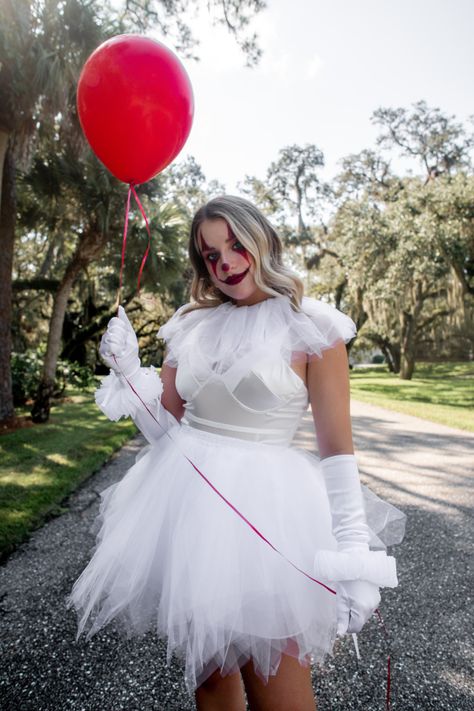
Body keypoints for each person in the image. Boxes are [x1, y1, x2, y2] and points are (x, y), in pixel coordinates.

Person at [66, 195, 406, 710]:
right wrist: (129, 372)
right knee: (211, 683)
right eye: (210, 255)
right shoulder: (190, 325)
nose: (225, 262)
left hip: (269, 517)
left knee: (280, 689)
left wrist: (355, 557)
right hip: (189, 515)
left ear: (262, 241)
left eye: (235, 244)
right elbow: (166, 429)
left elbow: (336, 448)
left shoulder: (312, 327)